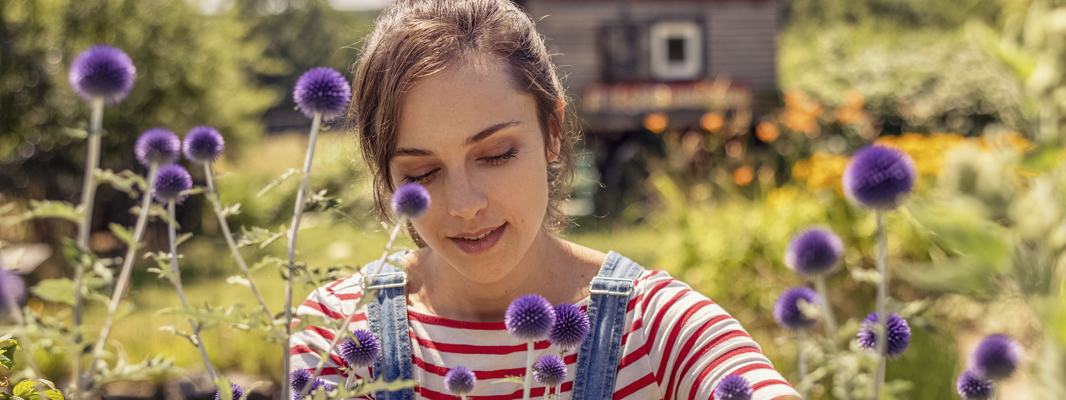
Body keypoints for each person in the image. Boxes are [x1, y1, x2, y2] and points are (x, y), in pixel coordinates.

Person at [287, 1, 798, 399]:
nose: (465, 204)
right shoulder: (337, 336)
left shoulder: (656, 328)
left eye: (496, 154)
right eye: (423, 172)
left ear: (552, 132)